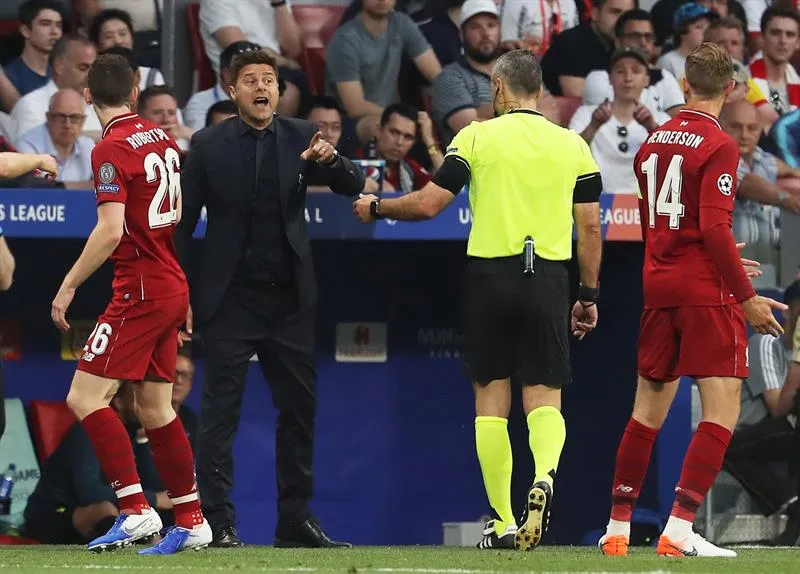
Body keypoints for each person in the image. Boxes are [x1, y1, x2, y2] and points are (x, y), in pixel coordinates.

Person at [354, 49, 603, 551]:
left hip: (492, 275)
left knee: (491, 399)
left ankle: (503, 520)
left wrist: (377, 205)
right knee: (544, 395)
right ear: (539, 90)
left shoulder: (476, 136)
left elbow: (429, 205)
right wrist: (588, 294)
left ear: (497, 89)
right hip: (549, 276)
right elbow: (591, 226)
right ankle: (545, 477)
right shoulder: (572, 145)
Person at [597, 42, 787, 558]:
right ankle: (679, 526)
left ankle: (616, 527)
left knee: (645, 412)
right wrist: (745, 296)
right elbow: (713, 228)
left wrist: (715, 265)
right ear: (728, 89)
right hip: (706, 295)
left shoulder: (651, 142)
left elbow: (665, 226)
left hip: (658, 287)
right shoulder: (720, 145)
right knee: (721, 411)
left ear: (684, 84)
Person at [175, 48, 364, 549]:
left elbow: (354, 184)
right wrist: (180, 293)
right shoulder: (207, 145)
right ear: (233, 91)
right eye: (251, 80)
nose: (262, 87)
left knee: (300, 411)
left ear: (278, 91)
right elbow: (183, 224)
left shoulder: (304, 137)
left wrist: (334, 158)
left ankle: (295, 519)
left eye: (270, 80)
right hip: (229, 299)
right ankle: (217, 521)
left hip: (289, 301)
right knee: (220, 416)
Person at [49, 52, 212, 554]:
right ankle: (191, 518)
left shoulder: (110, 148)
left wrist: (69, 284)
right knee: (156, 407)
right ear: (136, 92)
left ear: (89, 97)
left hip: (139, 286)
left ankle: (136, 510)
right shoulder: (161, 136)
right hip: (169, 280)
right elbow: (180, 212)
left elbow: (111, 228)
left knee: (84, 397)